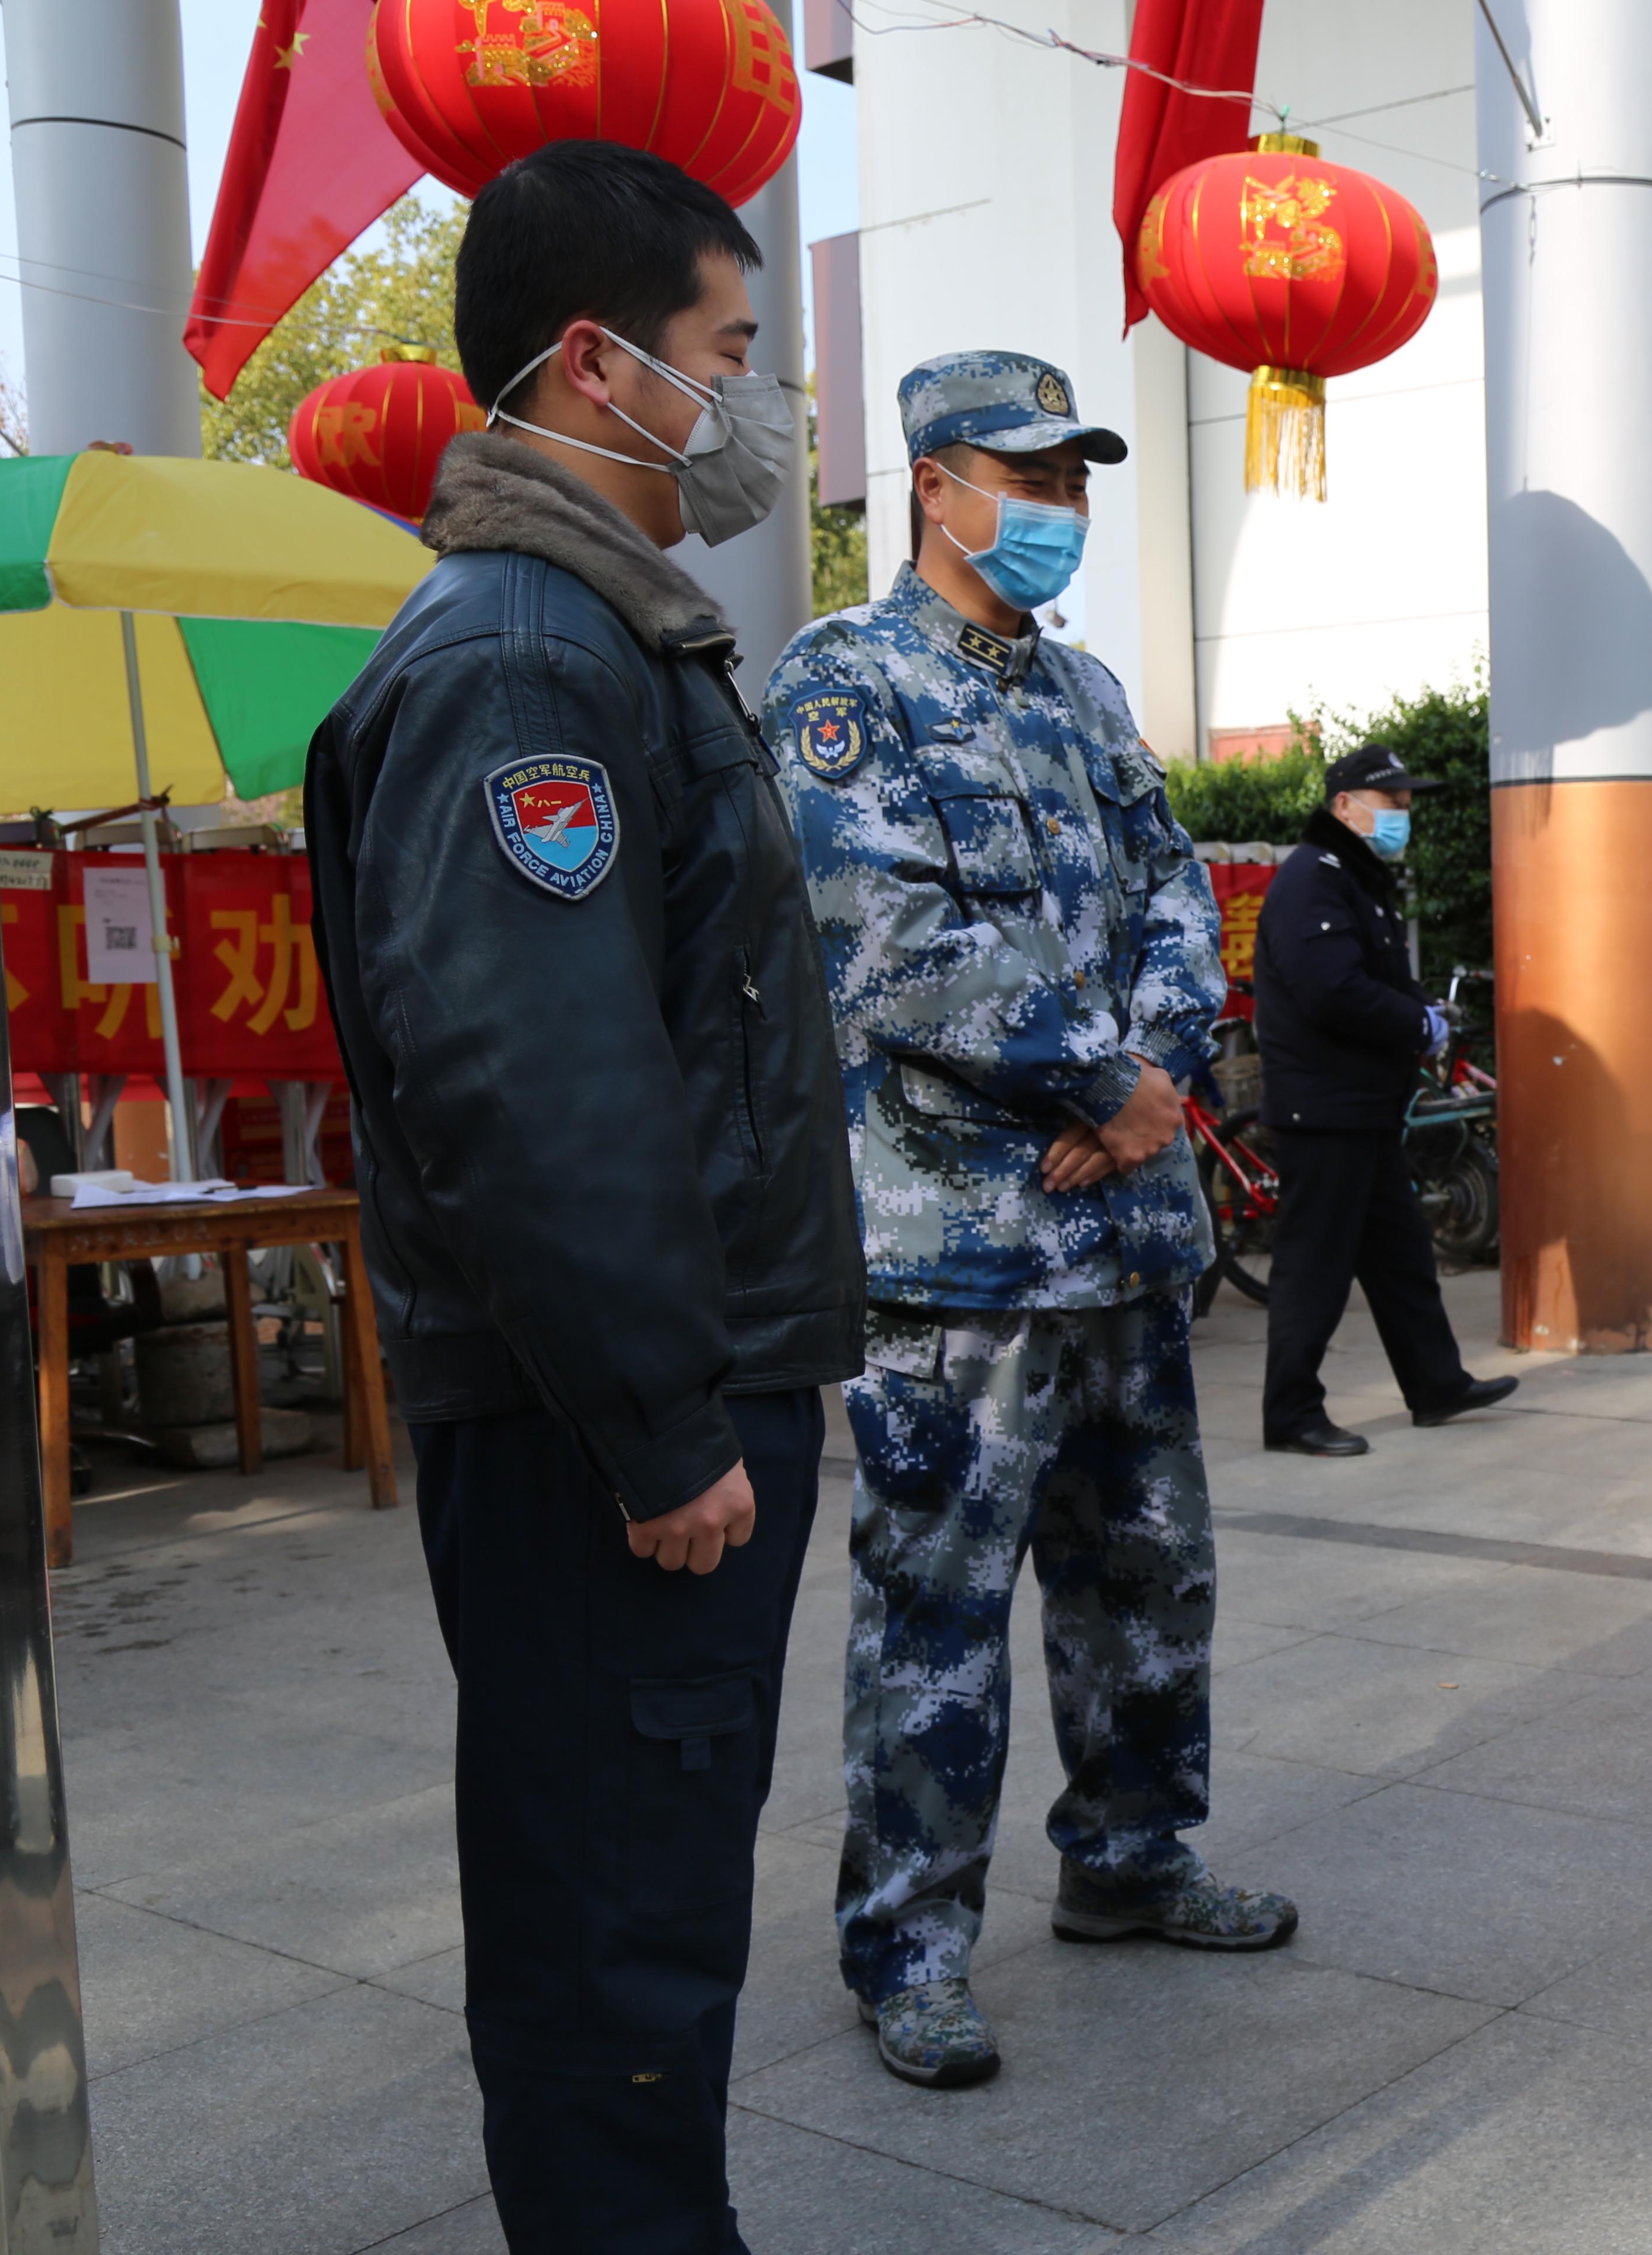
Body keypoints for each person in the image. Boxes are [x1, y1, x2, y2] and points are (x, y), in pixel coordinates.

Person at [306, 140, 861, 2247]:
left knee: (642, 1905)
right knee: (614, 1935)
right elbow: (535, 1082)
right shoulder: (525, 664)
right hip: (609, 1438)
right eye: (727, 353)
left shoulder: (598, 634)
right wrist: (659, 1420)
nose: (748, 408)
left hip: (648, 1409)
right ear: (593, 367)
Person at [763, 350, 1296, 2096]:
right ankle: (909, 1948)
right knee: (936, 1608)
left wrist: (1143, 1077)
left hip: (1121, 1236)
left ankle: (1131, 1857)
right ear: (934, 482)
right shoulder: (846, 682)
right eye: (1030, 477)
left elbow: (1174, 897)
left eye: (1077, 482)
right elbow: (882, 932)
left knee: (1150, 1575)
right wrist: (1096, 1087)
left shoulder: (1084, 694)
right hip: (954, 1250)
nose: (1058, 510)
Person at [1253, 743, 1519, 1454]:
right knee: (1315, 1267)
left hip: (1362, 1108)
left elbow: (1374, 975)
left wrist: (1423, 1011)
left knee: (1402, 1259)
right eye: (1391, 802)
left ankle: (1436, 1384)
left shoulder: (1356, 879)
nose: (1404, 814)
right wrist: (1416, 1025)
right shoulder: (1314, 878)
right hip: (1326, 1110)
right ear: (1345, 806)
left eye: (1406, 803)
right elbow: (1330, 989)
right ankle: (1292, 1414)